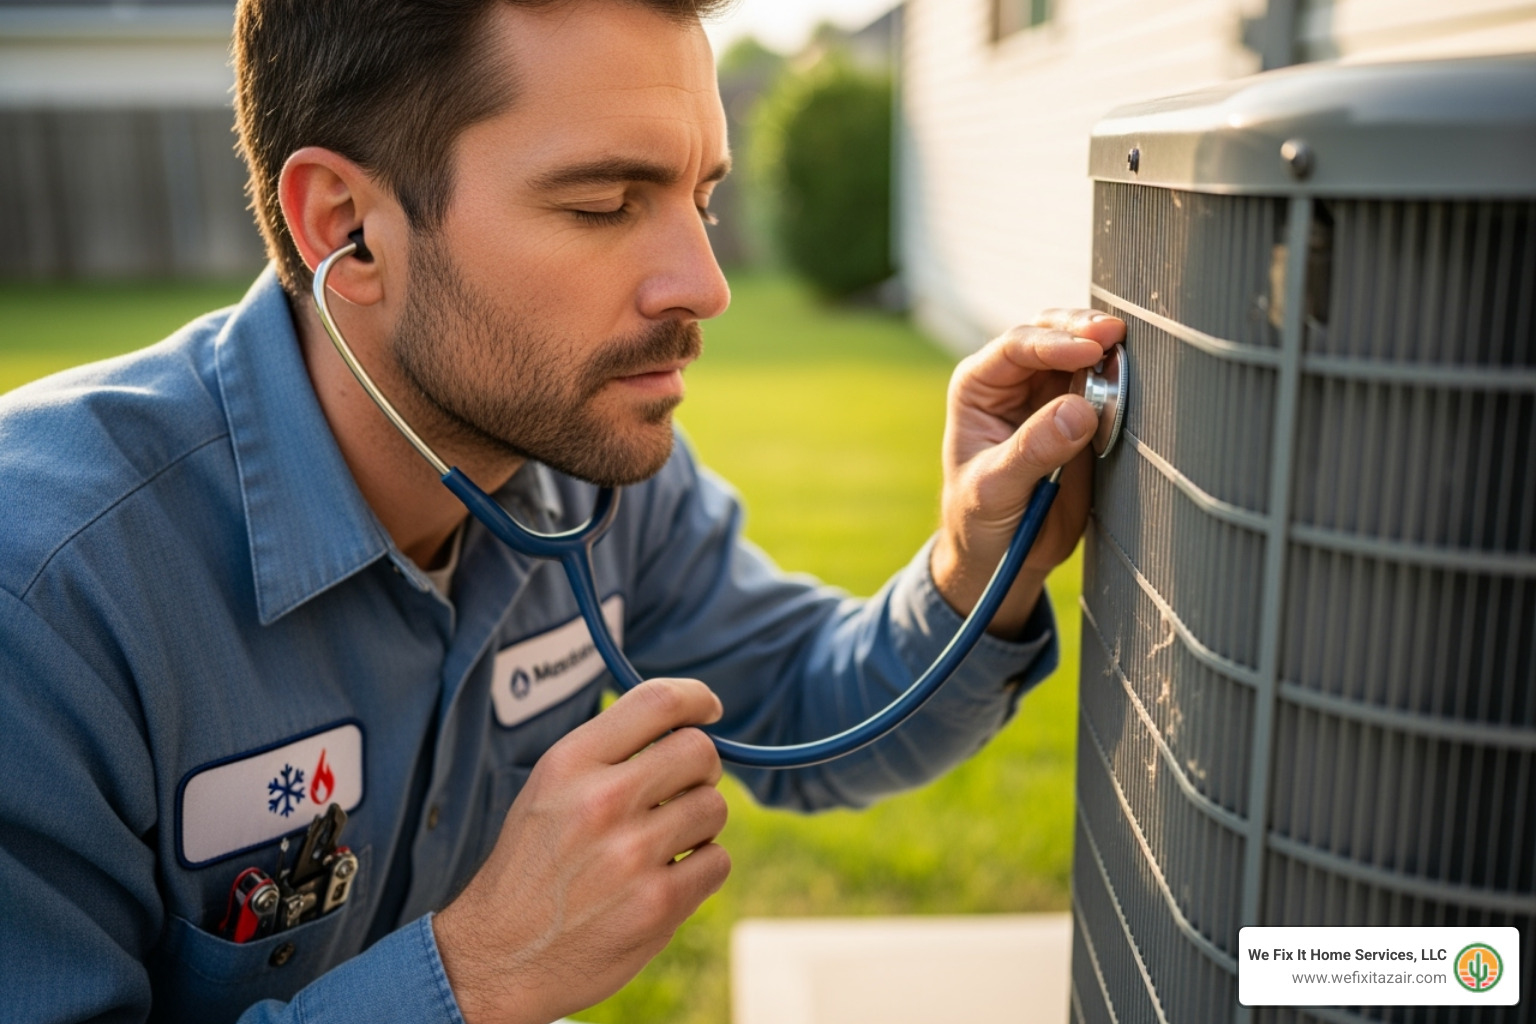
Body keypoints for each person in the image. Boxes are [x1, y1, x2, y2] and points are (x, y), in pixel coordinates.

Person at [0, 1, 1125, 1021]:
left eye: (703, 199)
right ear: (345, 225)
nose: (706, 284)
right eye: (603, 204)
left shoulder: (579, 473)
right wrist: (478, 973)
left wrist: (979, 565)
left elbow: (806, 711)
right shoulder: (44, 593)